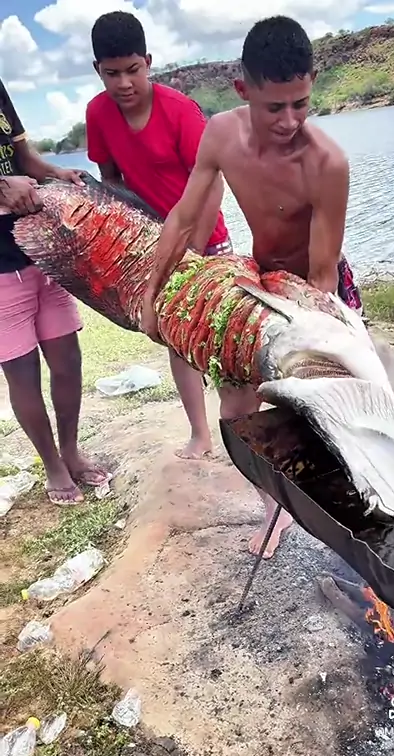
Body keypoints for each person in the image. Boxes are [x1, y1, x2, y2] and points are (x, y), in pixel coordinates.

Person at [141, 15, 362, 558]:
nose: (290, 121)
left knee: (333, 411)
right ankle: (274, 508)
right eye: (274, 107)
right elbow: (183, 219)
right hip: (260, 284)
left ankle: (356, 507)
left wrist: (303, 350)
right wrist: (150, 299)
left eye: (301, 104)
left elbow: (321, 276)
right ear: (243, 90)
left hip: (316, 296)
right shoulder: (220, 134)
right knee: (236, 411)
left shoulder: (327, 163)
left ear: (313, 83)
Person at [86, 10, 232, 460]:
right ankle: (200, 435)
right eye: (112, 73)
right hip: (153, 244)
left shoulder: (180, 110)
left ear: (148, 62)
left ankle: (240, 429)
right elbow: (110, 182)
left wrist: (195, 251)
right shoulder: (97, 113)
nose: (124, 83)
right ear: (98, 70)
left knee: (223, 333)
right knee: (175, 336)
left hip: (207, 240)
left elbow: (213, 182)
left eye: (133, 70)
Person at [0, 80, 107, 505]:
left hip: (43, 252)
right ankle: (52, 465)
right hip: (0, 270)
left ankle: (71, 451)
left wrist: (56, 173)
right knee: (22, 372)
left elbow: (23, 156)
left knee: (67, 360)